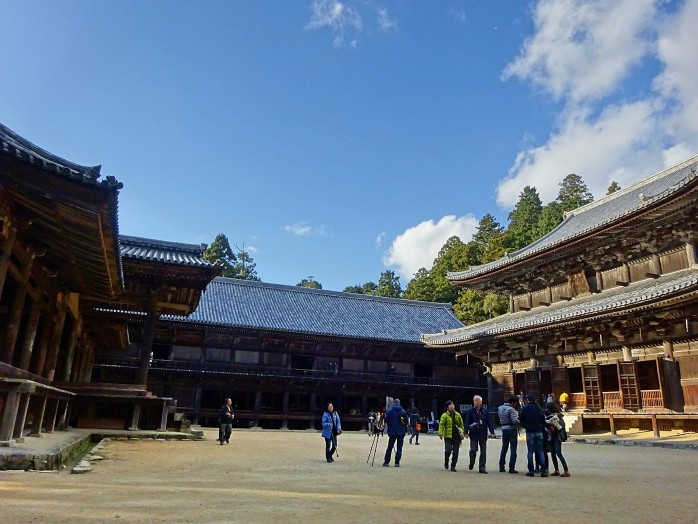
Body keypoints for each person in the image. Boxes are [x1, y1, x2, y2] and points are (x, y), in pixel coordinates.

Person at [464, 395, 496, 473]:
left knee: (483, 451)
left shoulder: (485, 411)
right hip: (474, 433)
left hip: (483, 433)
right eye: (475, 401)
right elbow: (467, 422)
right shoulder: (470, 411)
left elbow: (489, 422)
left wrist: (492, 432)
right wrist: (466, 432)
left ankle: (482, 467)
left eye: (477, 401)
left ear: (481, 402)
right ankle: (472, 462)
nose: (476, 403)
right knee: (473, 450)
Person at [520, 393, 548, 477]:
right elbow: (543, 419)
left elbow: (521, 419)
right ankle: (543, 470)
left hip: (529, 430)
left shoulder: (525, 408)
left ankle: (531, 470)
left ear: (527, 400)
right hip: (539, 430)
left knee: (530, 451)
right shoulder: (539, 408)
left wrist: (525, 426)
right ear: (535, 400)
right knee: (540, 451)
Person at [546, 399, 570, 477]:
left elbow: (561, 427)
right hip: (553, 436)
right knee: (553, 453)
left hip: (557, 436)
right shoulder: (558, 416)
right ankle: (556, 470)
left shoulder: (557, 417)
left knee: (558, 453)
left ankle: (566, 471)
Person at [438, 400, 464, 472]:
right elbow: (441, 425)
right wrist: (440, 433)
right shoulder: (444, 415)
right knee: (448, 450)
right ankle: (446, 461)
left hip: (456, 436)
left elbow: (461, 424)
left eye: (453, 405)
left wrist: (462, 431)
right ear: (447, 407)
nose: (452, 406)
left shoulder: (458, 415)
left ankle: (453, 465)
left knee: (456, 452)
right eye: (450, 405)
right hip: (448, 436)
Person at [498, 395, 520, 474]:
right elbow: (514, 421)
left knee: (504, 448)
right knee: (513, 449)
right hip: (512, 429)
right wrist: (519, 421)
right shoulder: (512, 410)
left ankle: (501, 465)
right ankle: (511, 467)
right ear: (512, 402)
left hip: (504, 428)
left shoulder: (500, 408)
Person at [383, 398, 408, 467]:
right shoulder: (403, 411)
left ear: (393, 403)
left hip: (392, 431)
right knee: (399, 448)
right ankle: (397, 462)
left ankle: (386, 462)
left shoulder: (389, 411)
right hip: (401, 432)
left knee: (390, 447)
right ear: (399, 403)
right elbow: (406, 422)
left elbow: (386, 420)